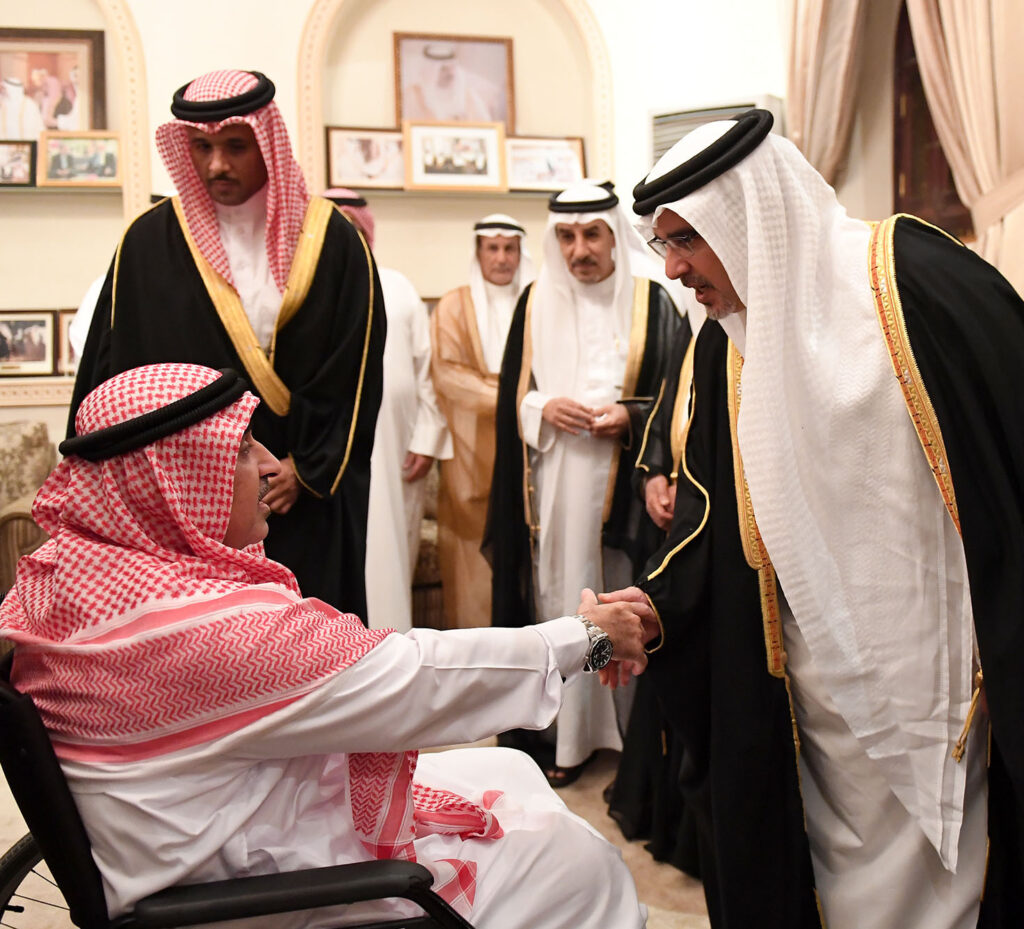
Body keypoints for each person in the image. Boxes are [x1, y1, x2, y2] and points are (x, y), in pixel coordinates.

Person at [0, 363, 653, 929]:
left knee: (510, 770)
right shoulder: (201, 633)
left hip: (196, 826)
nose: (269, 464)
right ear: (169, 482)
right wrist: (590, 638)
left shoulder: (64, 578)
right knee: (582, 863)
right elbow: (418, 679)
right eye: (241, 448)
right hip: (242, 890)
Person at [608, 107, 1024, 928]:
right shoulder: (724, 345)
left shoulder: (910, 280)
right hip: (812, 701)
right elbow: (707, 518)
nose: (676, 268)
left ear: (750, 215)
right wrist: (654, 606)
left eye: (687, 239)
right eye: (663, 244)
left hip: (948, 680)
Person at [69, 70, 385, 619]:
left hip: (295, 491)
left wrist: (307, 469)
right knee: (198, 635)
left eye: (235, 147)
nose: (217, 165)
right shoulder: (148, 242)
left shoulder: (332, 240)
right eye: (202, 147)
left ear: (266, 143)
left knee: (309, 632)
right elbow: (113, 373)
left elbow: (353, 370)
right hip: (184, 504)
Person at [488, 183, 686, 786]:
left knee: (622, 600)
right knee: (561, 596)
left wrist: (631, 415)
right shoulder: (534, 300)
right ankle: (568, 737)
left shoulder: (652, 300)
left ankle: (630, 740)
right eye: (567, 237)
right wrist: (541, 408)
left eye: (592, 234)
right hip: (552, 487)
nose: (580, 250)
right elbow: (513, 396)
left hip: (630, 490)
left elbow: (678, 393)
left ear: (613, 235)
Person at [326, 188, 452, 632]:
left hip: (397, 453)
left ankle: (392, 645)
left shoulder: (398, 287)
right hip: (328, 457)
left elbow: (427, 370)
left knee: (392, 552)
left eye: (352, 230)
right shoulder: (303, 291)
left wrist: (427, 440)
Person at [430, 214, 533, 629]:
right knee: (470, 553)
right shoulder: (453, 305)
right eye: (493, 248)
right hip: (471, 448)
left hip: (529, 443)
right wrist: (519, 401)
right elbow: (448, 377)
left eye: (510, 248)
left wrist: (527, 407)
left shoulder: (539, 302)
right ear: (478, 252)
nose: (502, 258)